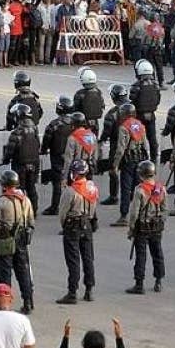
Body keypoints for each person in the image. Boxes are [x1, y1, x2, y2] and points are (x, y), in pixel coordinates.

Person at [0, 169, 36, 315]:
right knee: (23, 271)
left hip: (4, 240)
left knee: (5, 273)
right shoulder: (25, 200)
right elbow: (31, 221)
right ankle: (28, 301)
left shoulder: (1, 202)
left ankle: (4, 304)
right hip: (21, 239)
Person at [56, 160, 99, 305]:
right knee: (88, 257)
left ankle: (72, 291)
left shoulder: (71, 190)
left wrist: (64, 225)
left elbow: (62, 212)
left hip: (72, 225)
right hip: (87, 223)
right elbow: (93, 208)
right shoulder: (92, 187)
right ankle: (89, 289)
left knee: (73, 260)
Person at [125, 160, 166, 295]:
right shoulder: (160, 189)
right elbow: (165, 209)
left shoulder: (140, 190)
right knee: (157, 253)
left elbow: (134, 212)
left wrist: (131, 228)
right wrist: (161, 222)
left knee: (141, 256)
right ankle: (158, 281)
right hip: (156, 225)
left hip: (142, 226)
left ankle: (139, 284)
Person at [1, 103, 41, 214]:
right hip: (34, 163)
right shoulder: (34, 129)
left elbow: (10, 149)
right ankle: (34, 210)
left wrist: (5, 160)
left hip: (20, 164)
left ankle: (20, 211)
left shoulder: (16, 132)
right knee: (31, 187)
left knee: (20, 188)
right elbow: (38, 145)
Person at [41, 96, 75, 215]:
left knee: (57, 182)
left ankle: (55, 206)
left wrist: (44, 150)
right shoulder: (74, 123)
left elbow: (47, 139)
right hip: (72, 156)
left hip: (57, 155)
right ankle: (72, 205)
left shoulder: (54, 124)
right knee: (73, 180)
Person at [99, 84, 129, 206]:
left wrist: (102, 139)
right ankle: (129, 194)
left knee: (113, 169)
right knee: (129, 170)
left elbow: (107, 130)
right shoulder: (132, 109)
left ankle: (113, 196)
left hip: (116, 144)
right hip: (132, 143)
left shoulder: (112, 113)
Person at [128, 59, 161, 159]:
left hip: (139, 115)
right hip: (151, 114)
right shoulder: (155, 85)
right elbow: (158, 99)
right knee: (152, 138)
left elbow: (132, 99)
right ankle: (154, 158)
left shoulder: (136, 86)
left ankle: (139, 157)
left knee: (137, 138)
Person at [61, 112, 99, 181]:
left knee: (76, 190)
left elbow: (68, 160)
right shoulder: (92, 135)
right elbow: (95, 155)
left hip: (76, 170)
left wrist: (65, 177)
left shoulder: (72, 138)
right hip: (88, 169)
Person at [73, 67, 105, 134]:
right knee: (94, 141)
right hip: (95, 123)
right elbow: (102, 105)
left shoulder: (80, 93)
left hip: (83, 123)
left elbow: (75, 109)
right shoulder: (98, 92)